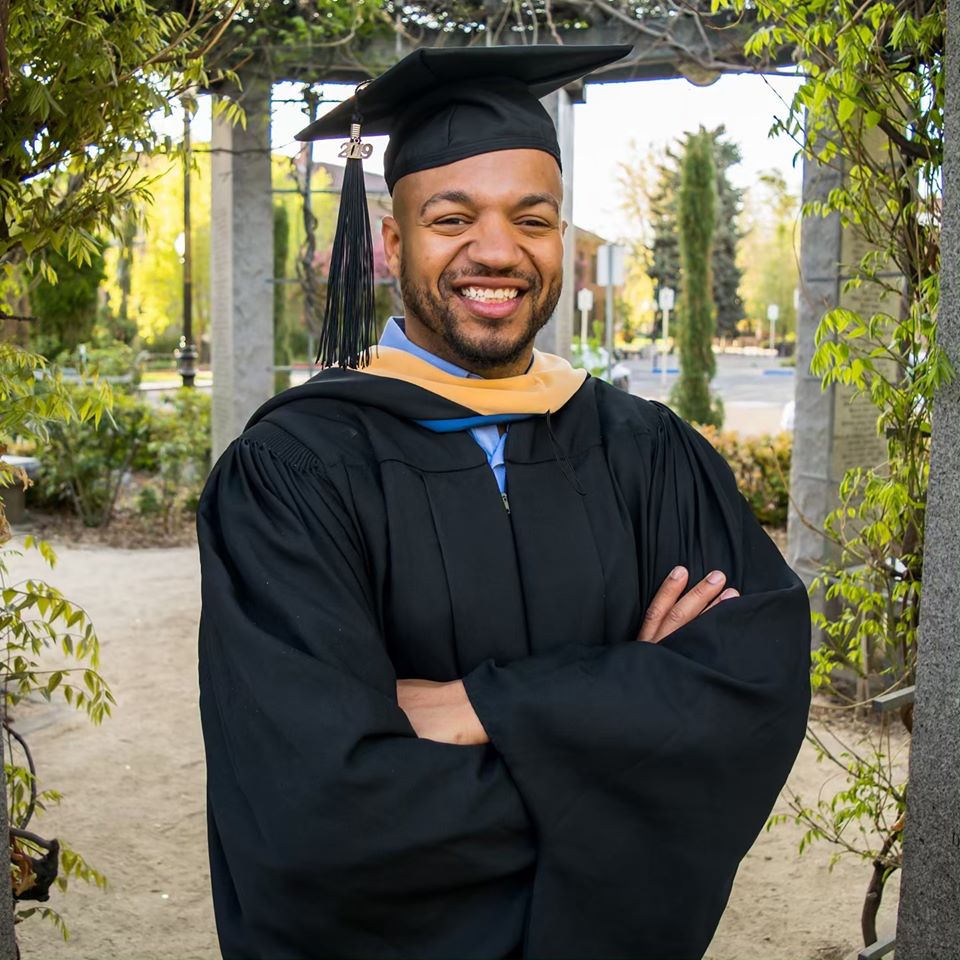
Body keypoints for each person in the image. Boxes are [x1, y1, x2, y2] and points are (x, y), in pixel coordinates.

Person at [197, 44, 811, 960]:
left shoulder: (647, 451)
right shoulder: (292, 474)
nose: (498, 250)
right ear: (395, 242)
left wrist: (486, 709)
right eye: (453, 217)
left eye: (533, 218)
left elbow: (752, 692)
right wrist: (628, 725)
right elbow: (316, 812)